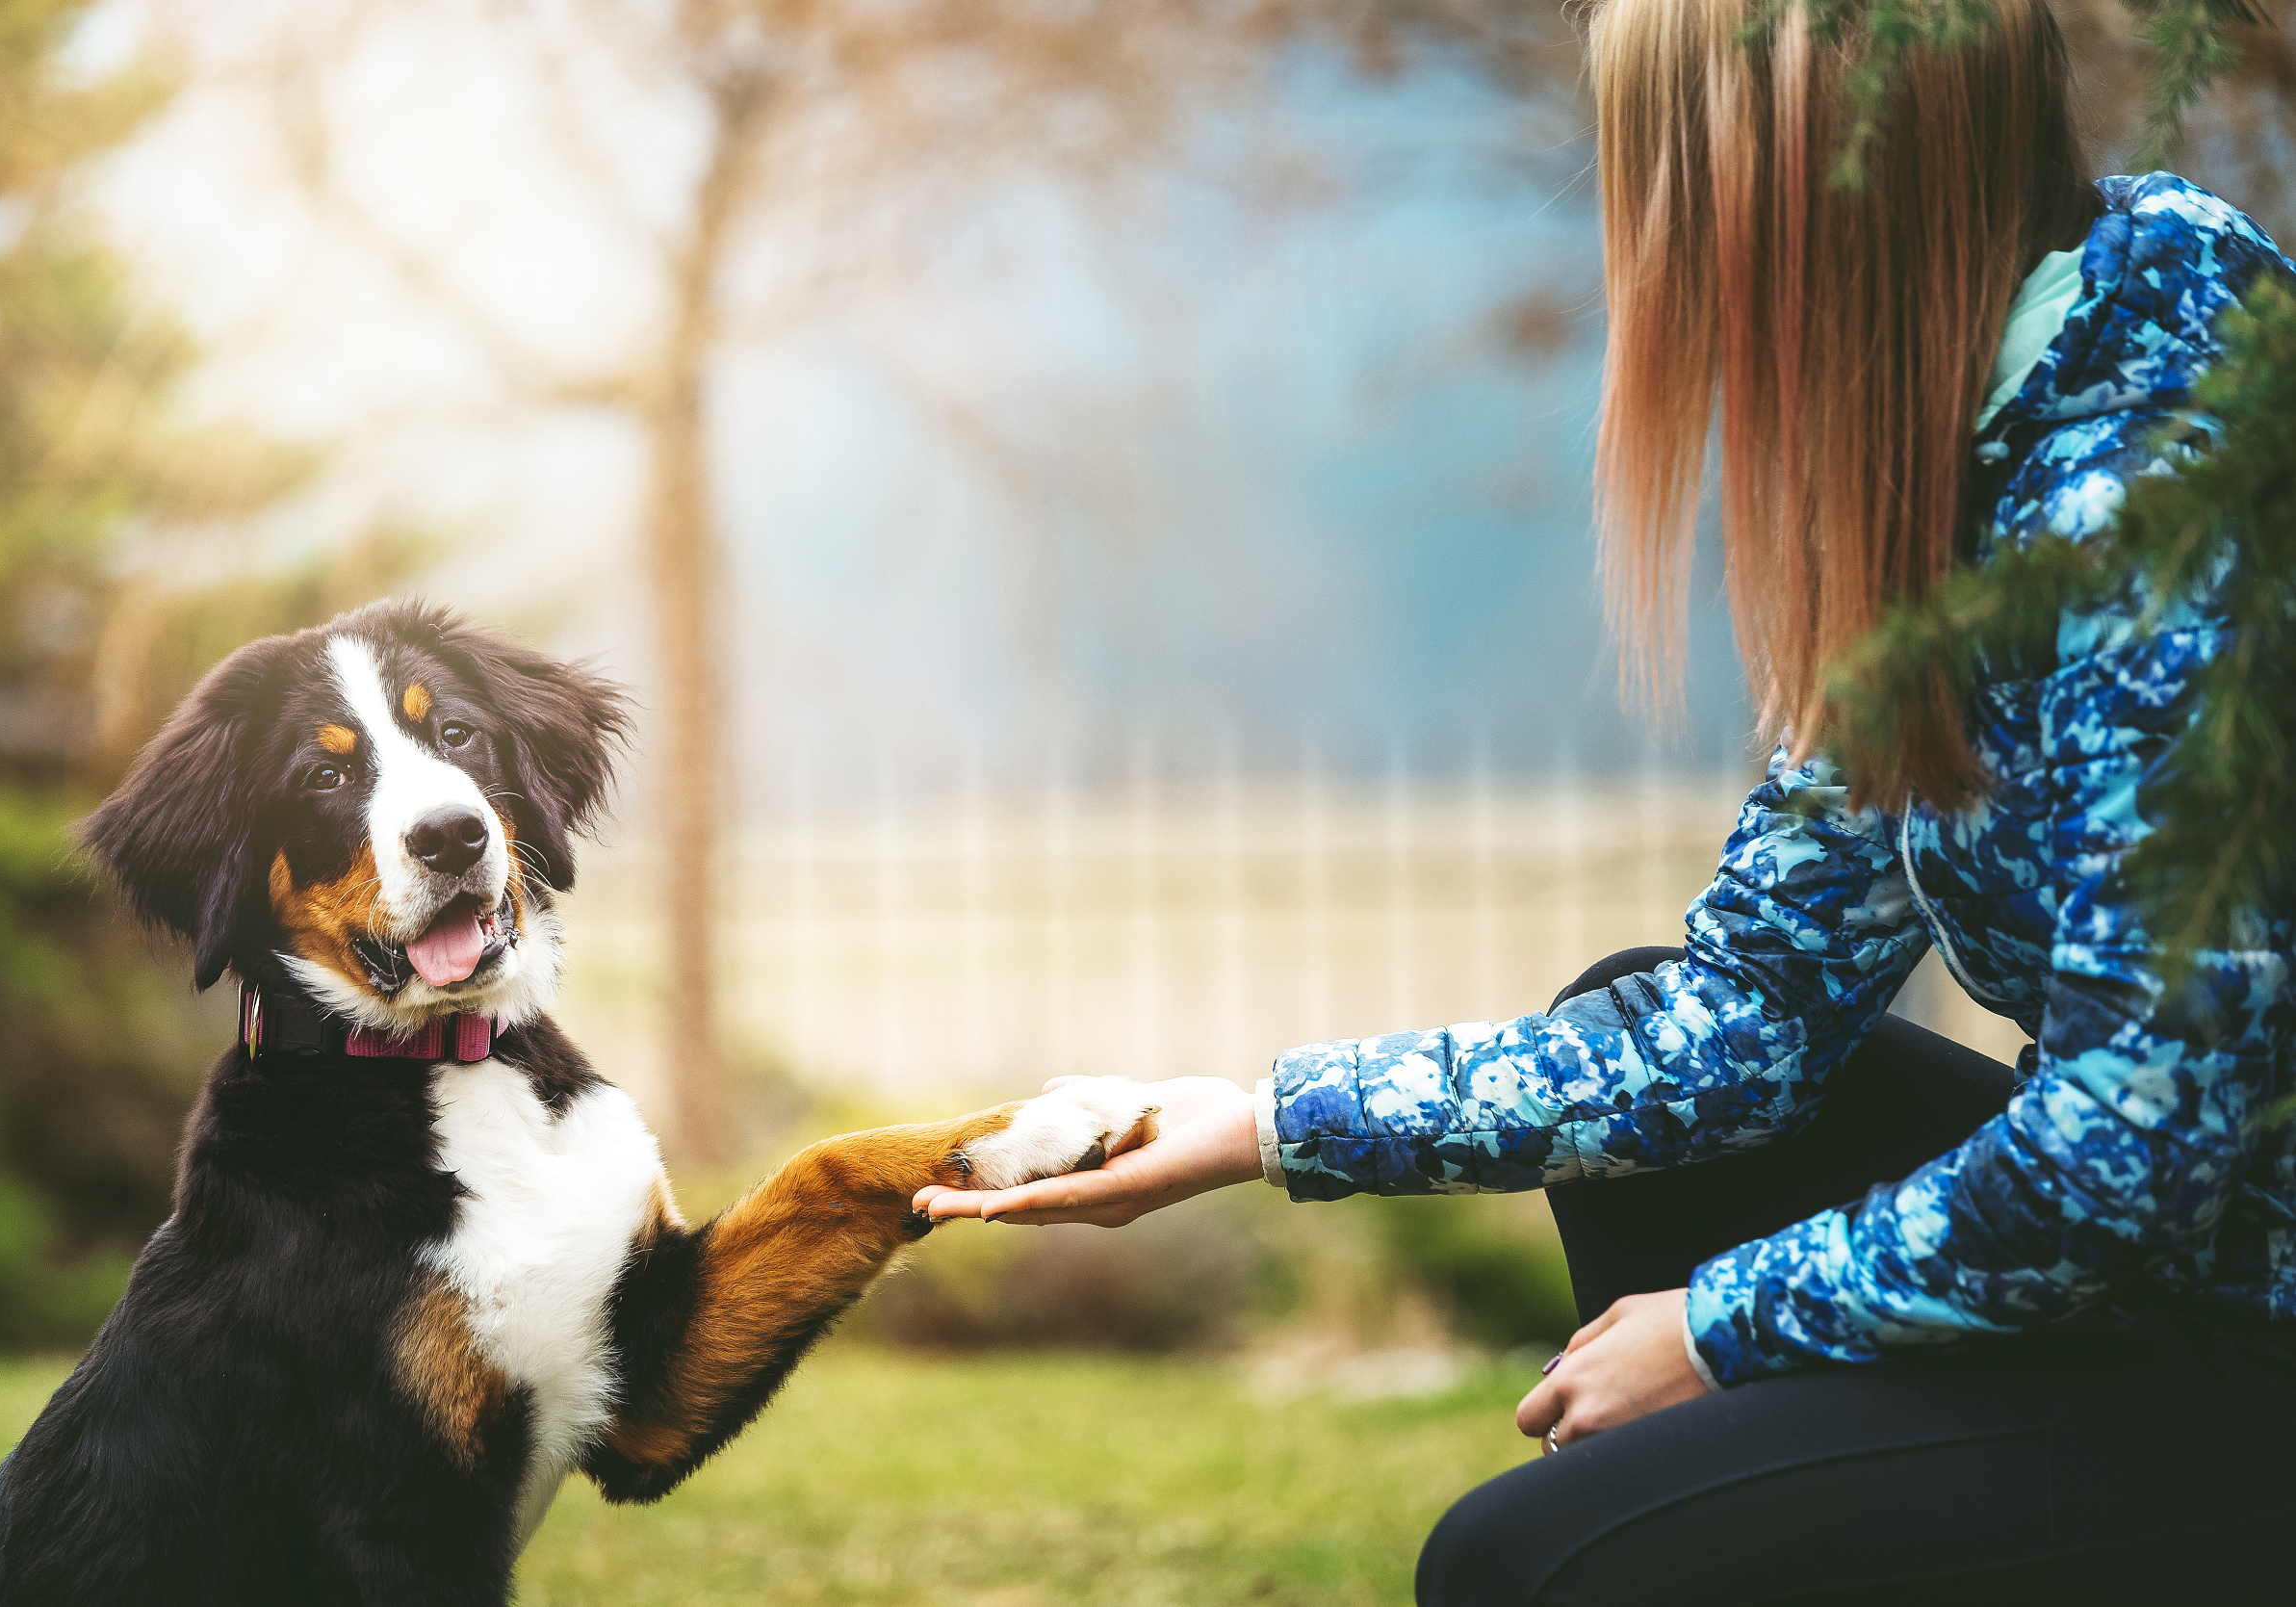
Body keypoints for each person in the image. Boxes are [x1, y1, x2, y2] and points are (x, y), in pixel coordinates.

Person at [916, 0, 2296, 1599]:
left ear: (1801, 193)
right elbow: (1745, 1010)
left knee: (1523, 1563)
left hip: (2241, 1320)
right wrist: (1263, 1121)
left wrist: (1720, 1329)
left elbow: (2131, 1149)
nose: (1653, 253)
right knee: (1634, 1032)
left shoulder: (2160, 504)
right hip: (2187, 1265)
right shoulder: (1998, 422)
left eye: (1667, 189)